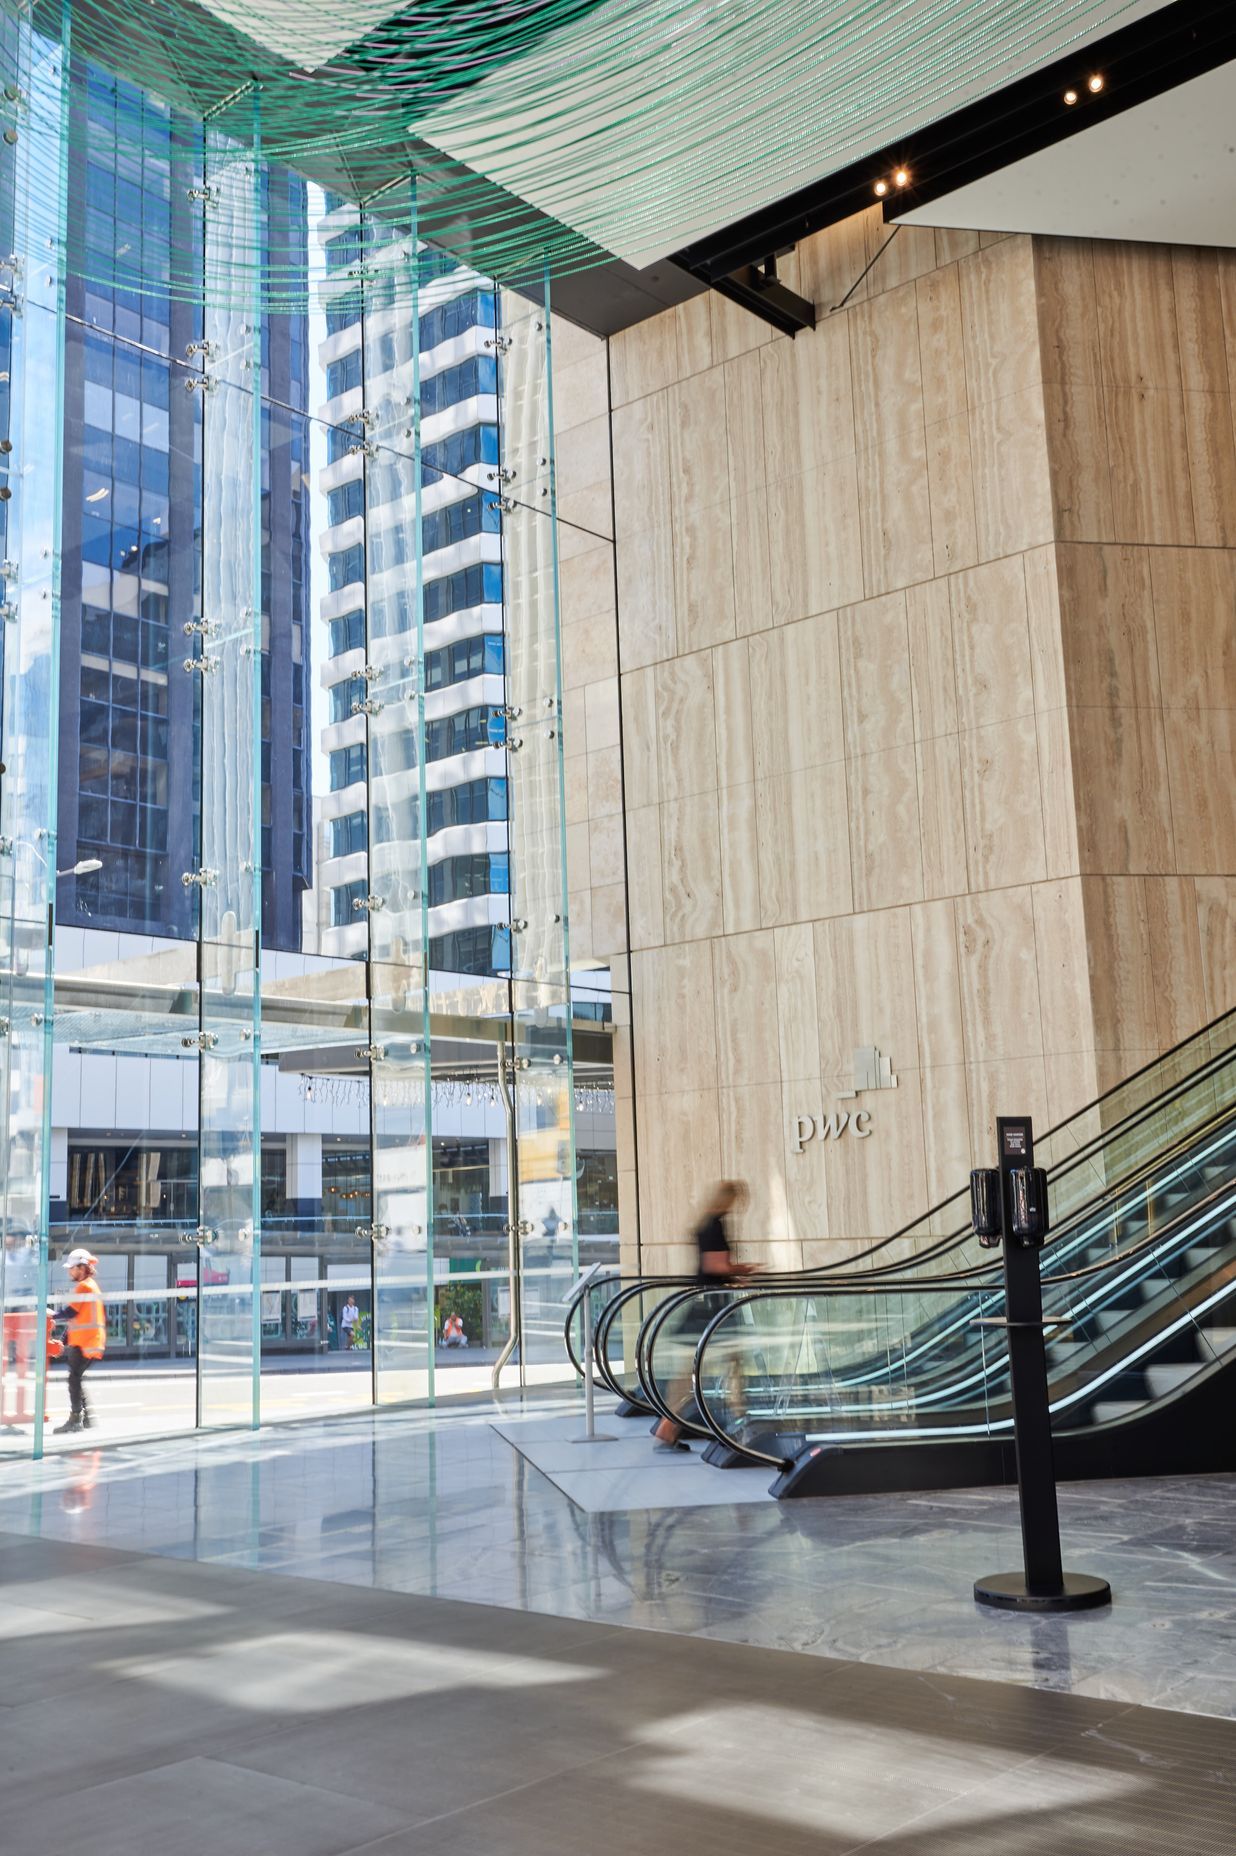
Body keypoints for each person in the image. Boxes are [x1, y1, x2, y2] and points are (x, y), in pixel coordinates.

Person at [654, 1180, 754, 1451]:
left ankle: (668, 1426)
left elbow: (708, 1265)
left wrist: (734, 1273)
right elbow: (715, 1264)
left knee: (693, 1369)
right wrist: (744, 1270)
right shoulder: (716, 1224)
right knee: (730, 1364)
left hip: (702, 1303)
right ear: (728, 1200)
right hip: (714, 1307)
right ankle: (739, 1421)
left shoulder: (703, 1223)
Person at [51, 1248, 106, 1435]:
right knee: (76, 1378)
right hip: (88, 1342)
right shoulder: (91, 1285)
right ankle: (87, 1418)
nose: (69, 1271)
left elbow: (70, 1313)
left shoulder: (85, 1287)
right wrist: (63, 1340)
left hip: (85, 1343)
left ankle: (76, 1419)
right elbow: (77, 1318)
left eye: (72, 1268)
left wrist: (51, 1315)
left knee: (73, 1379)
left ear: (81, 1268)